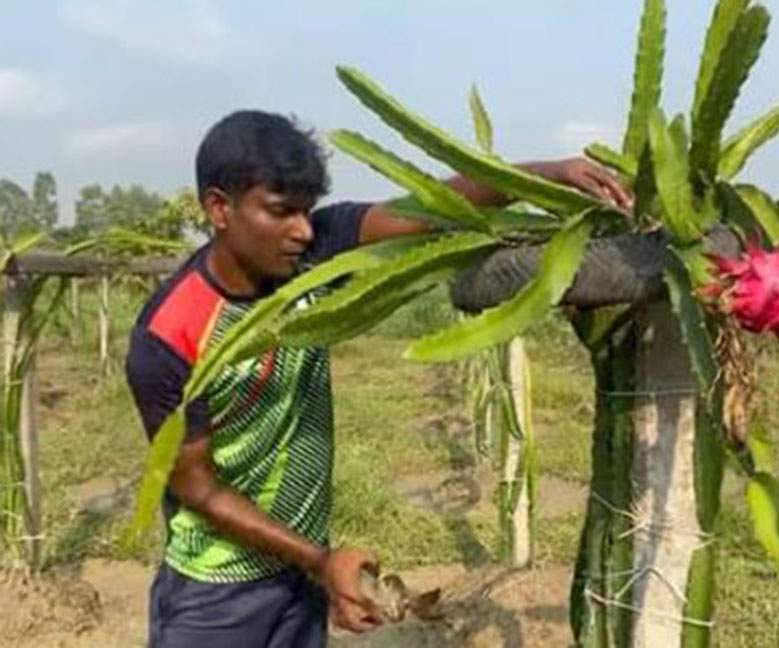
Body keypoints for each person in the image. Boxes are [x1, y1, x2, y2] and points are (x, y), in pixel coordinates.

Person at [125, 109, 630, 648]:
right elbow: (198, 487)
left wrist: (546, 174)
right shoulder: (167, 336)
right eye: (281, 212)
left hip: (298, 572)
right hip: (216, 594)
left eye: (307, 211)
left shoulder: (313, 254)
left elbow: (427, 211)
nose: (301, 230)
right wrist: (320, 560)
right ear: (219, 208)